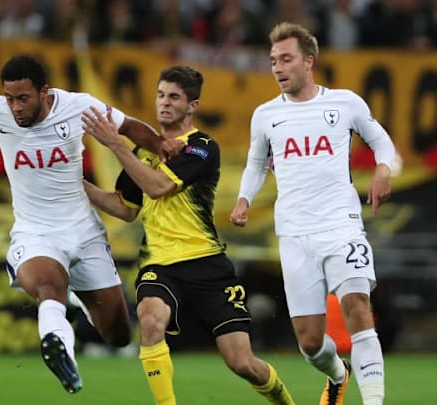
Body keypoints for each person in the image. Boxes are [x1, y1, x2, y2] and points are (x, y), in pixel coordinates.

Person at [0, 55, 170, 394]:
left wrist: (164, 147)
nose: (15, 107)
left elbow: (130, 127)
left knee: (118, 335)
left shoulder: (79, 107)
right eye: (9, 97)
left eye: (23, 98)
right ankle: (60, 351)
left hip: (85, 233)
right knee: (49, 286)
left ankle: (73, 308)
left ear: (44, 92)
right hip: (36, 234)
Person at [81, 65, 295, 405]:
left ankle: (287, 402)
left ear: (192, 106)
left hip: (206, 265)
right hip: (160, 264)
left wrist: (114, 144)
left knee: (242, 363)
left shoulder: (202, 146)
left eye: (174, 97)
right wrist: (76, 184)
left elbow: (158, 186)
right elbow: (125, 208)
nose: (164, 103)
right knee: (150, 322)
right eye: (161, 95)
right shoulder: (142, 152)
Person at [230, 22, 394, 405]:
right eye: (273, 61)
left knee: (358, 308)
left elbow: (381, 141)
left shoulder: (345, 103)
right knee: (309, 342)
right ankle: (338, 374)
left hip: (342, 226)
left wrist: (383, 169)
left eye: (285, 59)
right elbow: (256, 164)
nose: (277, 67)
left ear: (308, 61)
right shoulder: (266, 115)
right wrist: (243, 199)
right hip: (294, 234)